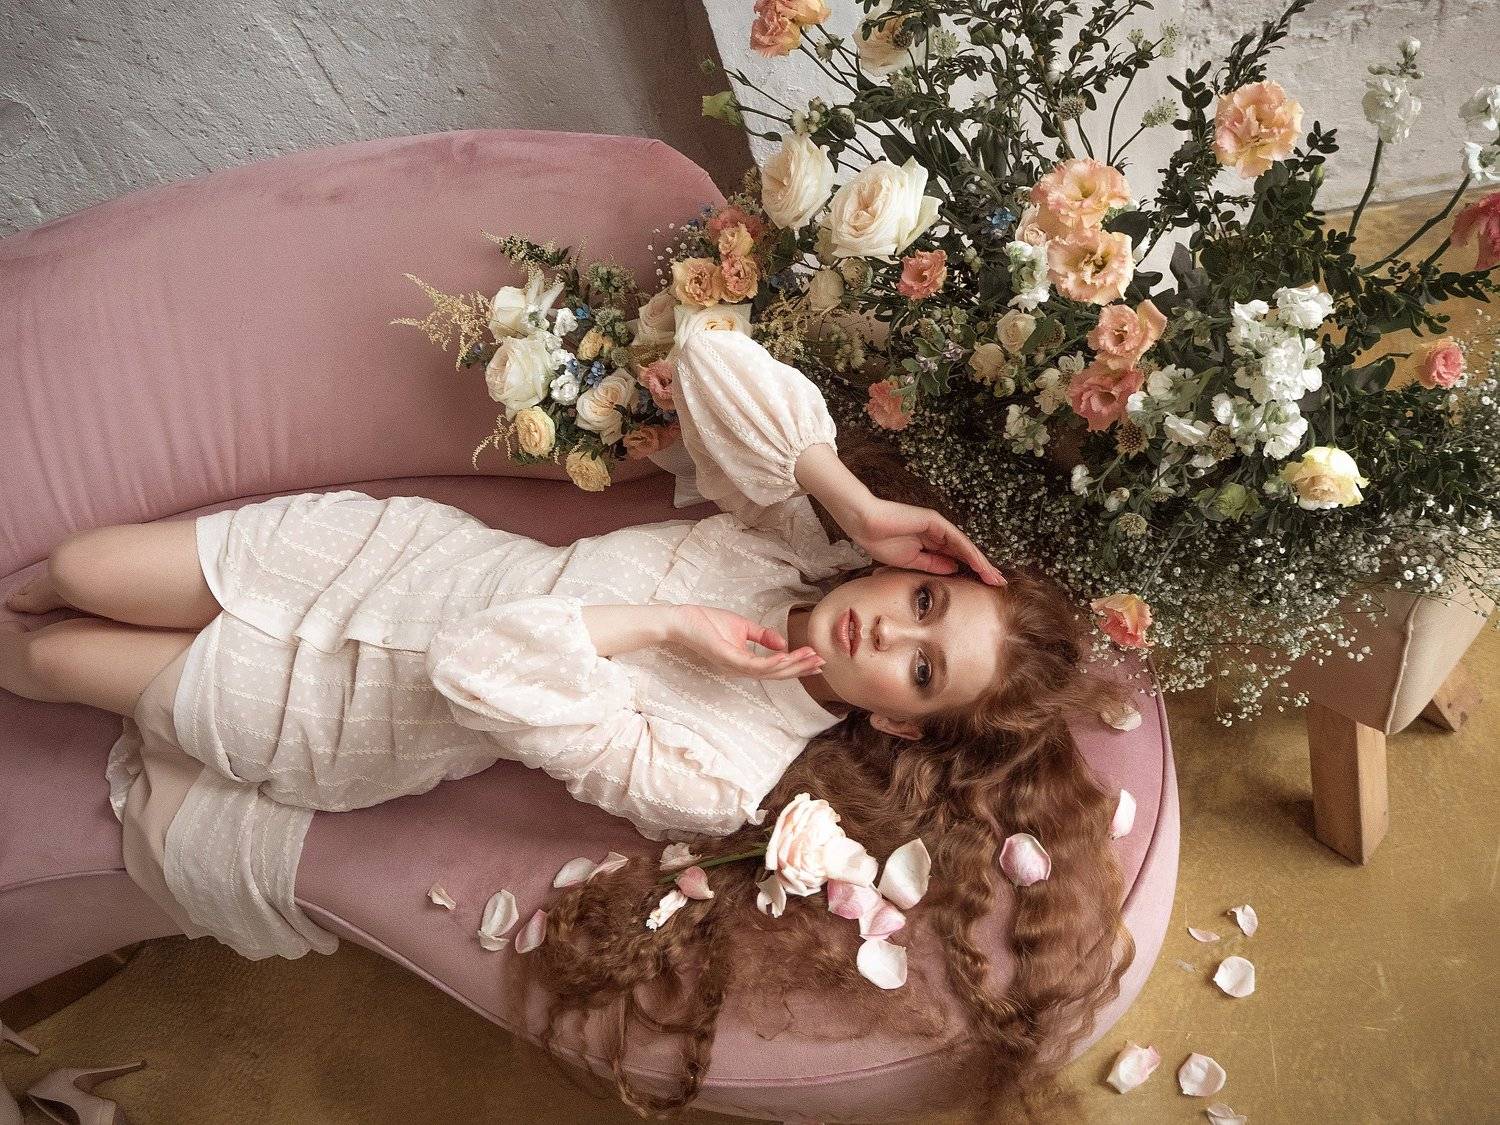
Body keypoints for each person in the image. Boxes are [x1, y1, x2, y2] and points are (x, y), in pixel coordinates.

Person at [0, 328, 1137, 1118]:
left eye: (922, 670)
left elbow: (474, 666)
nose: (886, 631)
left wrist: (665, 626)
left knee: (45, 659)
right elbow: (711, 357)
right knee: (78, 567)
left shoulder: (721, 773)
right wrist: (855, 501)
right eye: (924, 603)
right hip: (379, 556)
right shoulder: (787, 543)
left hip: (341, 718)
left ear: (901, 724)